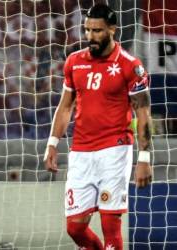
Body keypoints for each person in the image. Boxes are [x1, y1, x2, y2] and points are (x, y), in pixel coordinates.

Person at [43, 4, 153, 250]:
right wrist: (52, 143)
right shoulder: (74, 61)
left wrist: (144, 157)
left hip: (114, 151)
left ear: (112, 30)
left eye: (97, 31)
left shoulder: (130, 66)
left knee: (110, 226)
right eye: (87, 30)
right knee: (75, 227)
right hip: (81, 152)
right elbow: (65, 107)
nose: (90, 37)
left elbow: (143, 113)